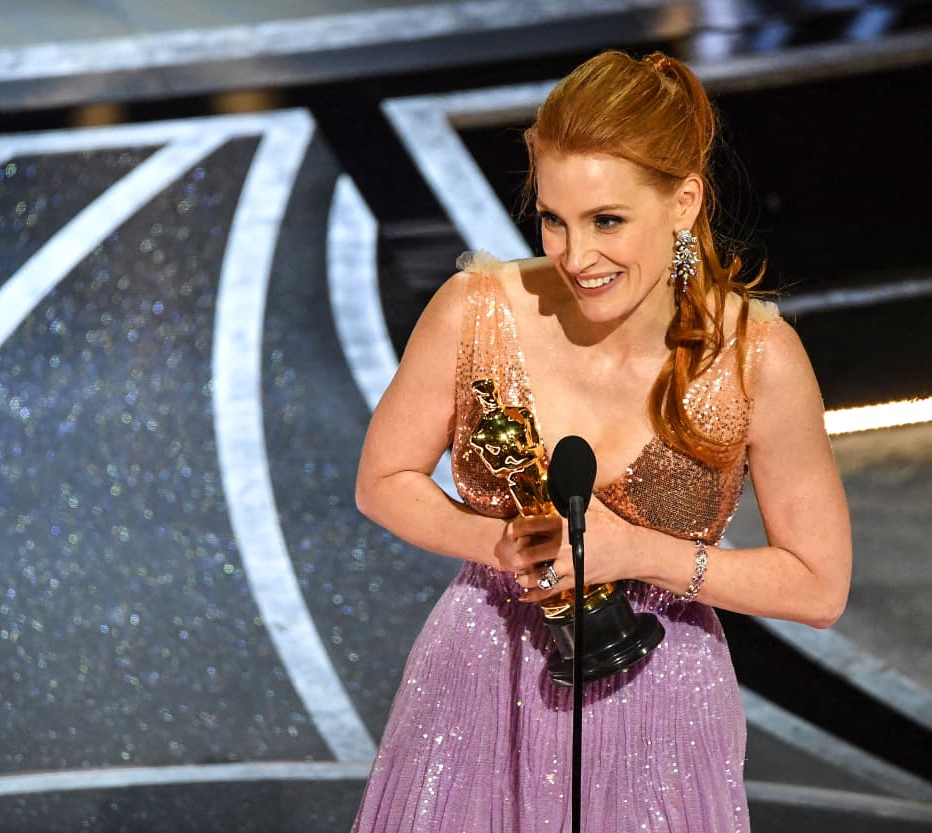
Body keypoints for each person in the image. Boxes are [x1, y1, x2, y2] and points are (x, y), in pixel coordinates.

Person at [350, 49, 851, 833]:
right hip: (477, 679)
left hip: (661, 702)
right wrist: (498, 541)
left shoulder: (758, 357)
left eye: (607, 220)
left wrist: (639, 552)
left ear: (683, 203)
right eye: (554, 218)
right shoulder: (475, 310)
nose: (576, 256)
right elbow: (383, 479)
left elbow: (818, 586)